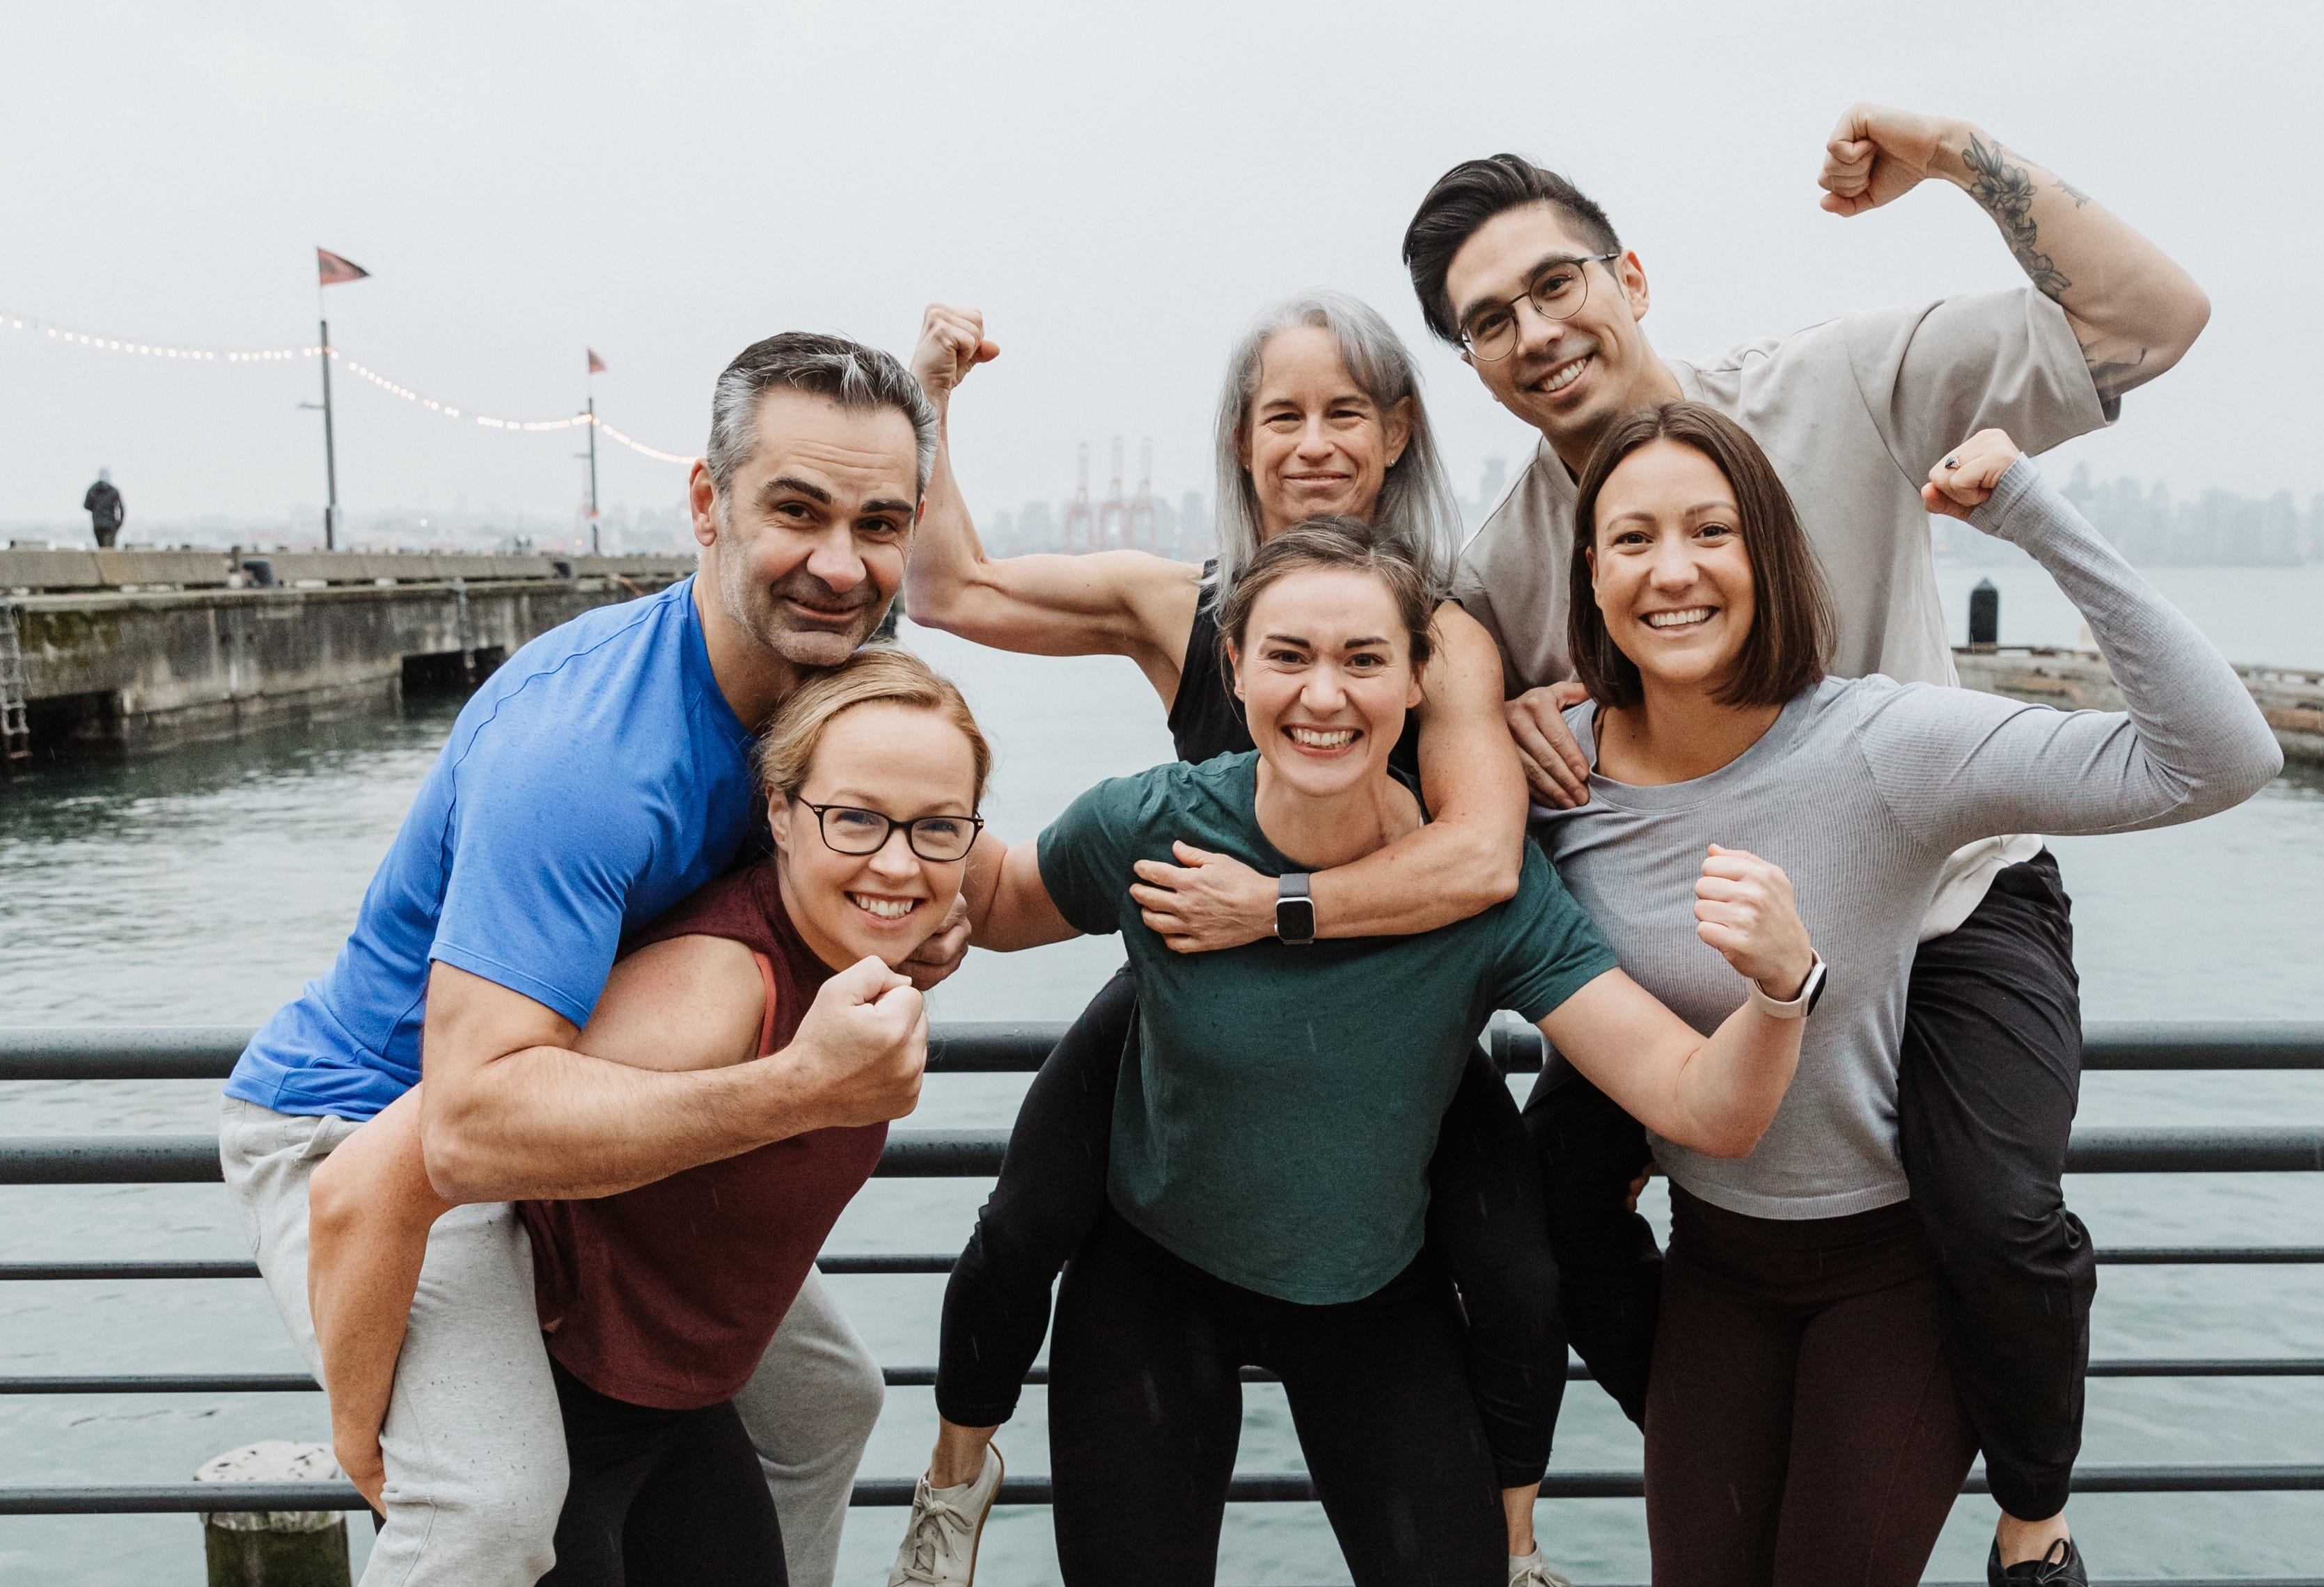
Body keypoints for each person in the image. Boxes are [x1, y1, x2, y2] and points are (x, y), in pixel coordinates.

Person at [1395, 106, 2213, 1581]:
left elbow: (2153, 321)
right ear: (1471, 363)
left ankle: (2034, 1526)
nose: (1536, 330)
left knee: (1995, 1208)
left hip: (1951, 900)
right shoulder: (1504, 565)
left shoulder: (1843, 380)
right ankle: (1761, 1435)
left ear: (1630, 276)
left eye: (1557, 282)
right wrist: (1507, 727)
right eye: (1489, 321)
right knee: (1540, 1208)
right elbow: (1424, 756)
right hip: (1718, 934)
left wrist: (1961, 159)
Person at [217, 333, 970, 1587]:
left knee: (824, 1401)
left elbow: (969, 865)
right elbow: (456, 1138)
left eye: (878, 523)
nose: (841, 565)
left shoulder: (828, 704)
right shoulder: (581, 759)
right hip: (374, 1126)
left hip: (572, 1107)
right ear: (704, 504)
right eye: (796, 510)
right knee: (491, 1505)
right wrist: (806, 1089)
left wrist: (1265, 887)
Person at [955, 514, 1823, 1587]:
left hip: (1369, 1304)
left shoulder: (1487, 896)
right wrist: (863, 800)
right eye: (1289, 656)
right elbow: (991, 904)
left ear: (1420, 679)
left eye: (1365, 660)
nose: (1325, 696)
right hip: (1151, 1291)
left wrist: (1784, 992)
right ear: (1233, 666)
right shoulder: (1151, 827)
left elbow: (1706, 1109)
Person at [893, 296, 1580, 1586]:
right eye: (1282, 415)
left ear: (1395, 433)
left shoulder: (1441, 631)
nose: (1312, 442)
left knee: (1516, 1271)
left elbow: (1483, 857)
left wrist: (1275, 909)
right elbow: (947, 588)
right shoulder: (1178, 605)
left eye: (1342, 414)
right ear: (1242, 440)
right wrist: (932, 401)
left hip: (1385, 1007)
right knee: (1029, 1215)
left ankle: (1516, 1540)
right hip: (1193, 991)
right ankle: (951, 1476)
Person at [1534, 404, 2277, 1586]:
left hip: (1891, 1277)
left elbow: (2217, 757)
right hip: (1709, 1268)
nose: (1670, 570)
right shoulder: (1550, 776)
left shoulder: (1878, 745)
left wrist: (2031, 514)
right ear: (1590, 571)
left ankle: (2036, 1516)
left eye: (1708, 531)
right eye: (1631, 539)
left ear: (1765, 555)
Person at [304, 649, 990, 1587]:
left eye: (938, 828)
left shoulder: (857, 948)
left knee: (834, 1406)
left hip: (672, 1413)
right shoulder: (717, 988)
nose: (899, 862)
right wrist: (361, 1434)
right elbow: (364, 1184)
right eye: (858, 819)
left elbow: (1035, 884)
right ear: (781, 815)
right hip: (564, 1419)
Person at [84, 468, 123, 548]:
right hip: (110, 525)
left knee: (102, 549)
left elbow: (86, 505)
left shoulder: (93, 489)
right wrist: (118, 524)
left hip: (98, 525)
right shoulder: (114, 491)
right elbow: (121, 510)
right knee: (109, 551)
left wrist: (97, 510)